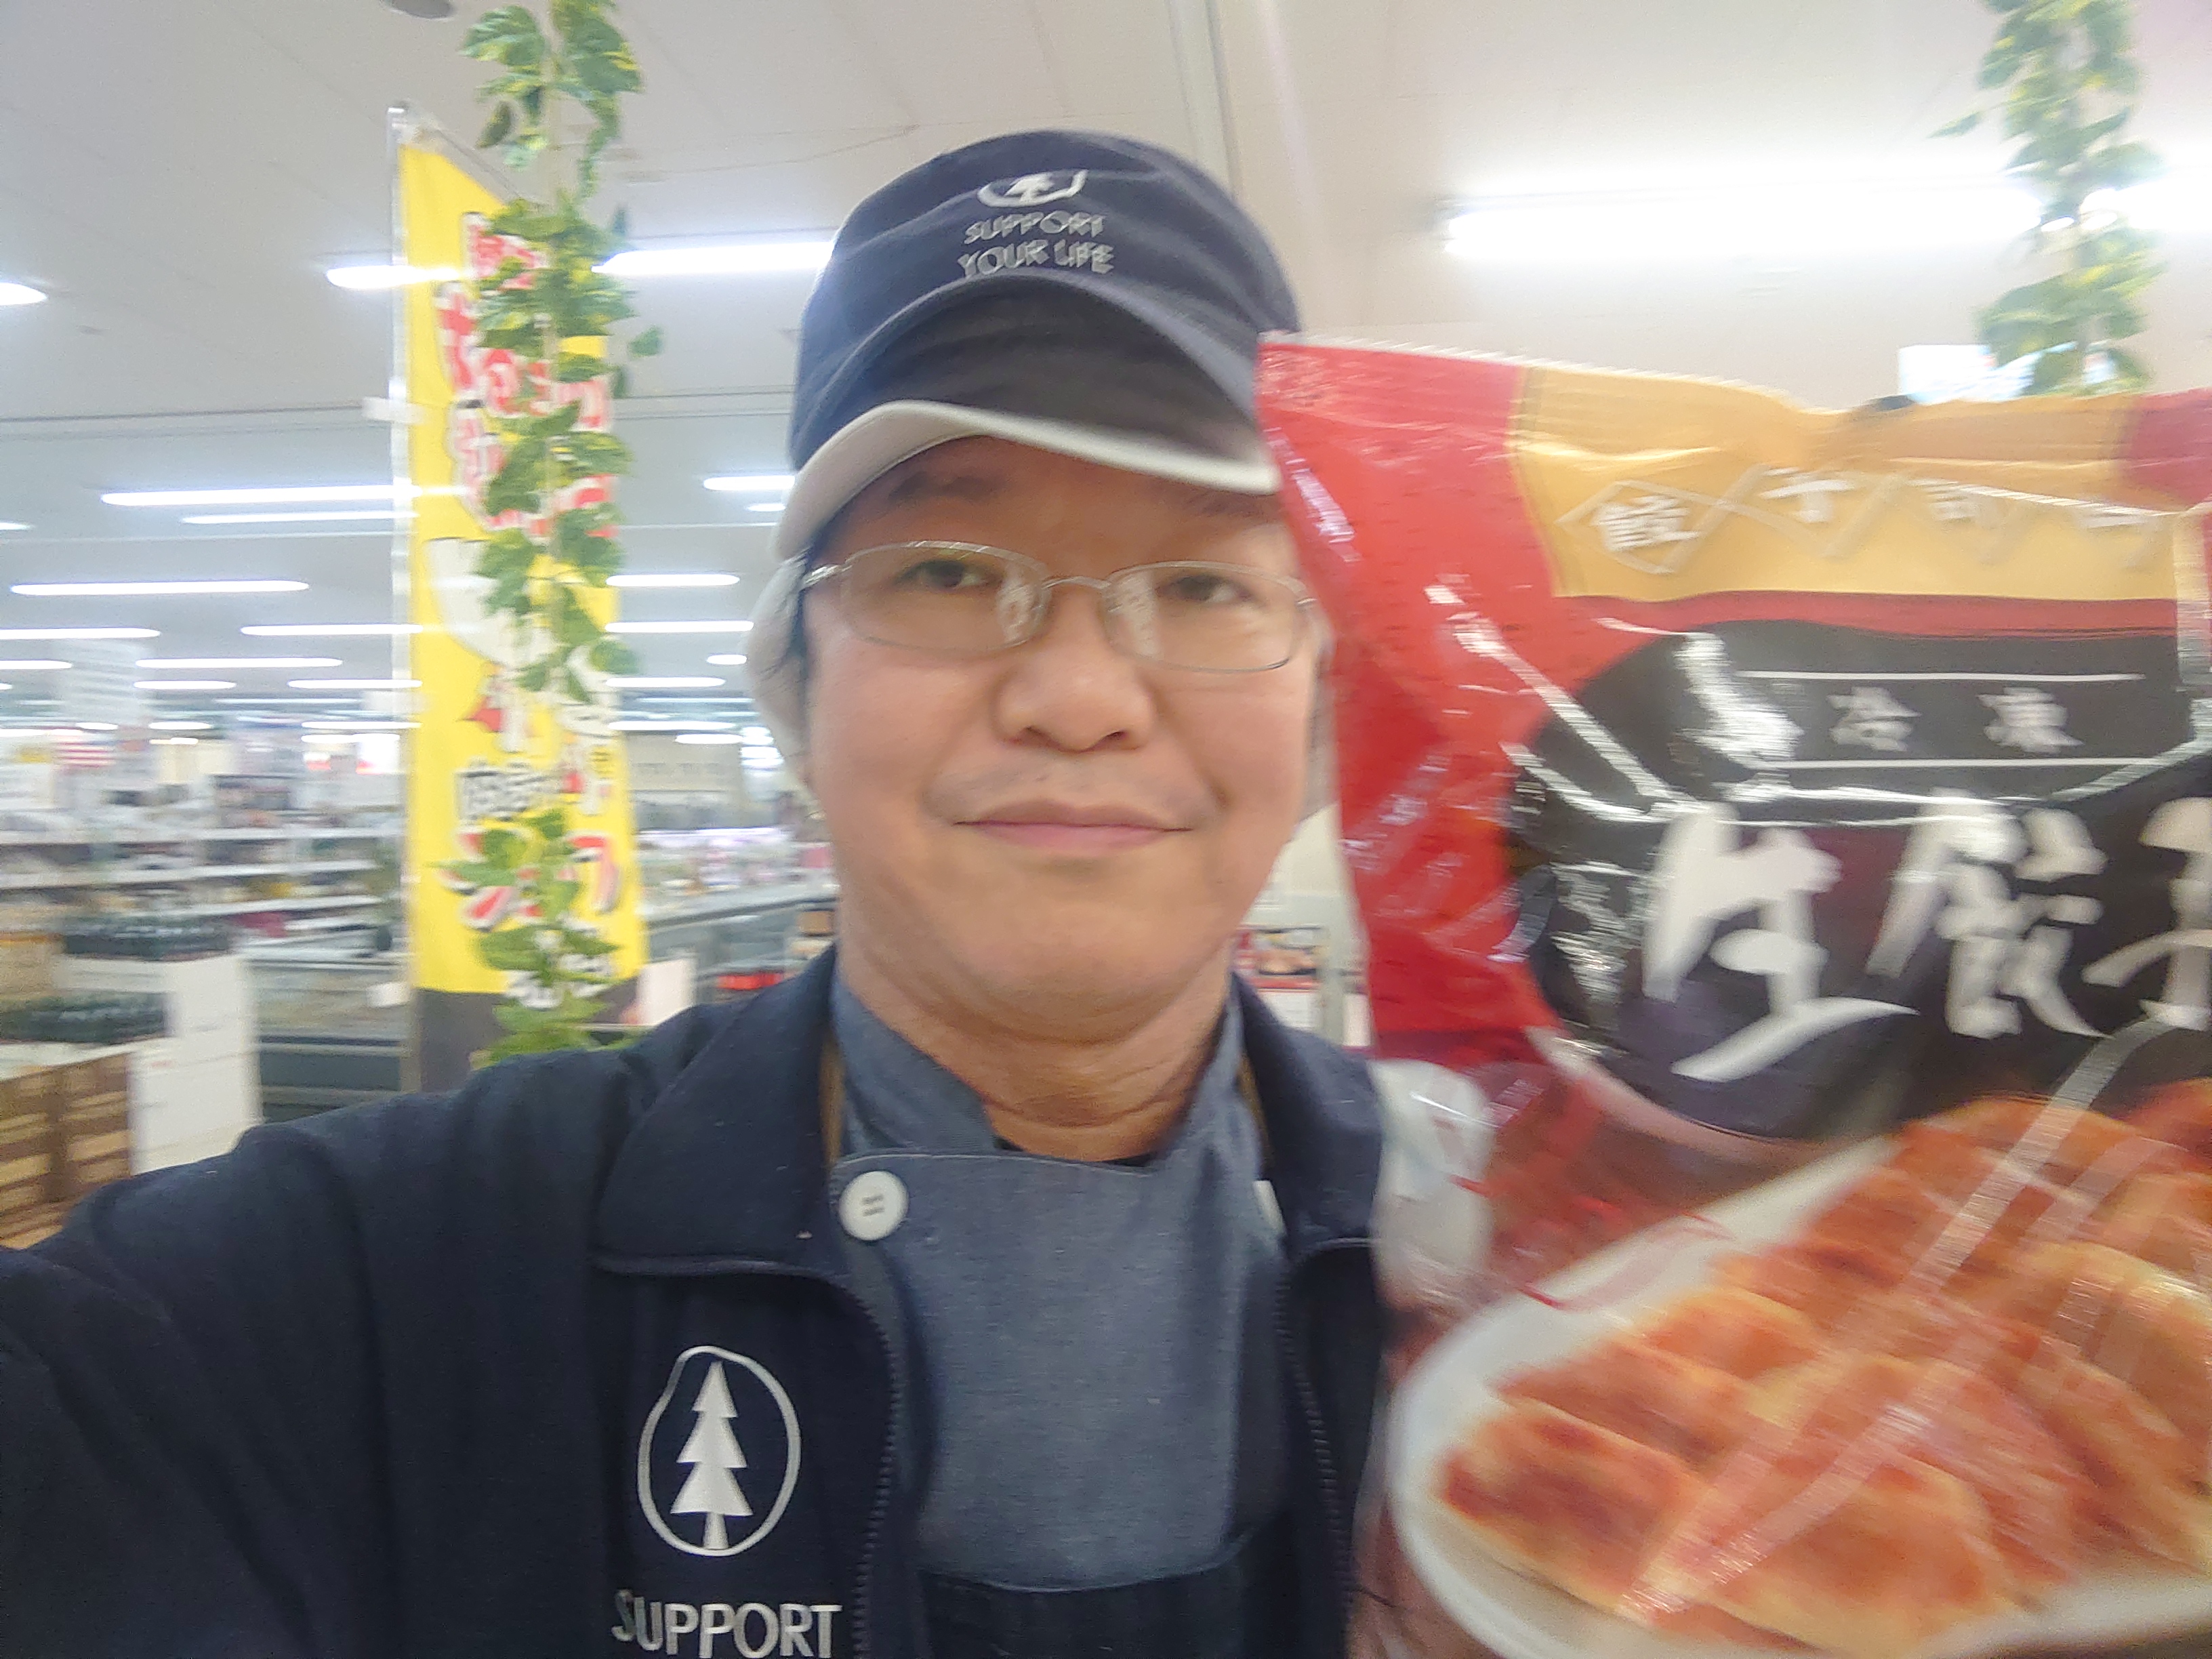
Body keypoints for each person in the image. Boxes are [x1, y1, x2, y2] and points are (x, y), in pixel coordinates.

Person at [0, 130, 1382, 1659]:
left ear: (1322, 704)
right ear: (795, 681)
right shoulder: (398, 1277)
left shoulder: (1521, 1263)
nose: (1077, 696)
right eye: (943, 570)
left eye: (1203, 584)